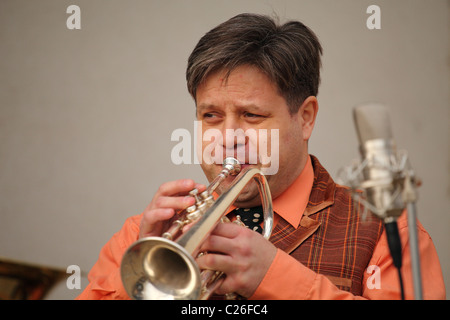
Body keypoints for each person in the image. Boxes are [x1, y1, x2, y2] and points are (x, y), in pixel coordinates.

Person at [76, 13, 445, 300]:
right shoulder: (145, 235)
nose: (228, 139)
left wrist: (276, 279)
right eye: (211, 116)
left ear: (305, 118)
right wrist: (140, 280)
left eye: (252, 115)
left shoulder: (385, 230)